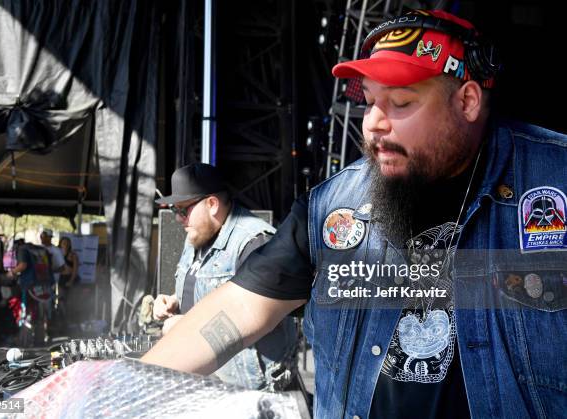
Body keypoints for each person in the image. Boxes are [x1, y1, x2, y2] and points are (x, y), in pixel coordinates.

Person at [141, 9, 567, 418]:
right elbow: (238, 309)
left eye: (400, 102)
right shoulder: (333, 207)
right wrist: (122, 387)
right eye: (369, 100)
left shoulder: (554, 181)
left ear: (468, 101)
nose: (373, 123)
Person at [152, 163, 298, 390]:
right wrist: (173, 301)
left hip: (251, 391)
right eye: (174, 211)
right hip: (207, 382)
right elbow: (207, 291)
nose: (179, 219)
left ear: (211, 204)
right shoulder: (196, 236)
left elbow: (253, 316)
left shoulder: (255, 242)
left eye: (183, 210)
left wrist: (185, 329)